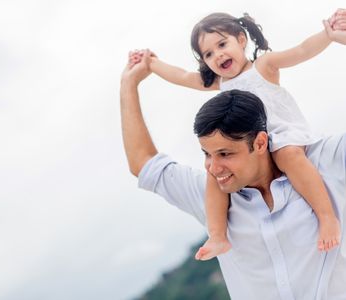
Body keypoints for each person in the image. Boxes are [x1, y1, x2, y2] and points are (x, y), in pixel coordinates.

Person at [120, 46, 346, 299]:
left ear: (260, 143)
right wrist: (129, 83)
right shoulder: (211, 194)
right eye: (207, 154)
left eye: (225, 154)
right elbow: (143, 163)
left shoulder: (322, 162)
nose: (214, 168)